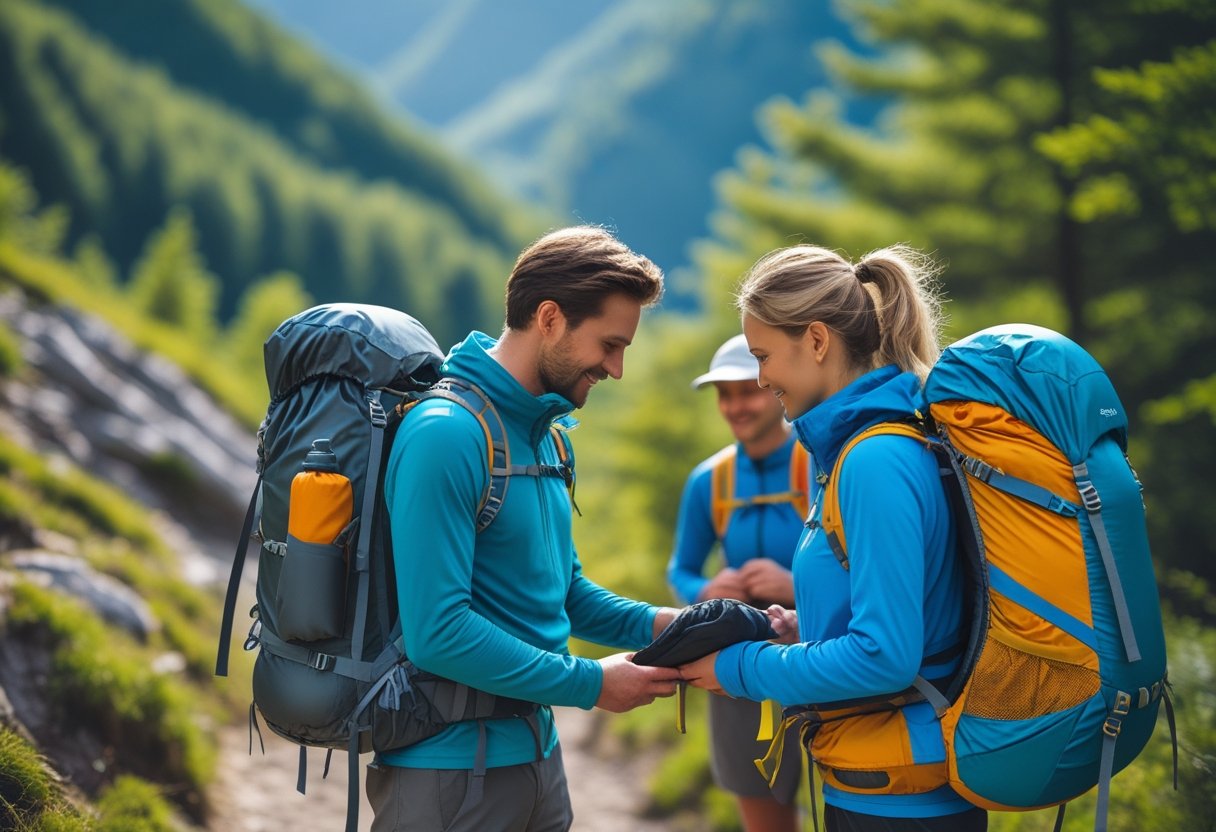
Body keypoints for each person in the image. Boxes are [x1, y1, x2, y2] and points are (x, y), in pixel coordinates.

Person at [375, 226, 683, 832]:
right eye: (609, 344)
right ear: (549, 318)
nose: (617, 369)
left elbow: (563, 594)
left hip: (537, 760)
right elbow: (437, 632)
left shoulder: (545, 436)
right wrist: (592, 682)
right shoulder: (448, 434)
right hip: (450, 775)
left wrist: (669, 626)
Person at [680, 244, 986, 831]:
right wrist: (807, 631)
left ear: (817, 341)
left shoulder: (874, 461)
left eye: (764, 356)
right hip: (880, 779)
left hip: (902, 800)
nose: (762, 378)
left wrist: (742, 666)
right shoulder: (856, 452)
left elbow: (885, 657)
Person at [666, 334, 808, 832]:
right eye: (723, 395)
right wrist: (704, 592)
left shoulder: (821, 464)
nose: (734, 407)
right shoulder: (710, 480)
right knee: (764, 816)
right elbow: (680, 569)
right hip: (741, 669)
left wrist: (795, 585)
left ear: (775, 387)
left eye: (745, 391)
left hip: (824, 658)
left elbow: (859, 569)